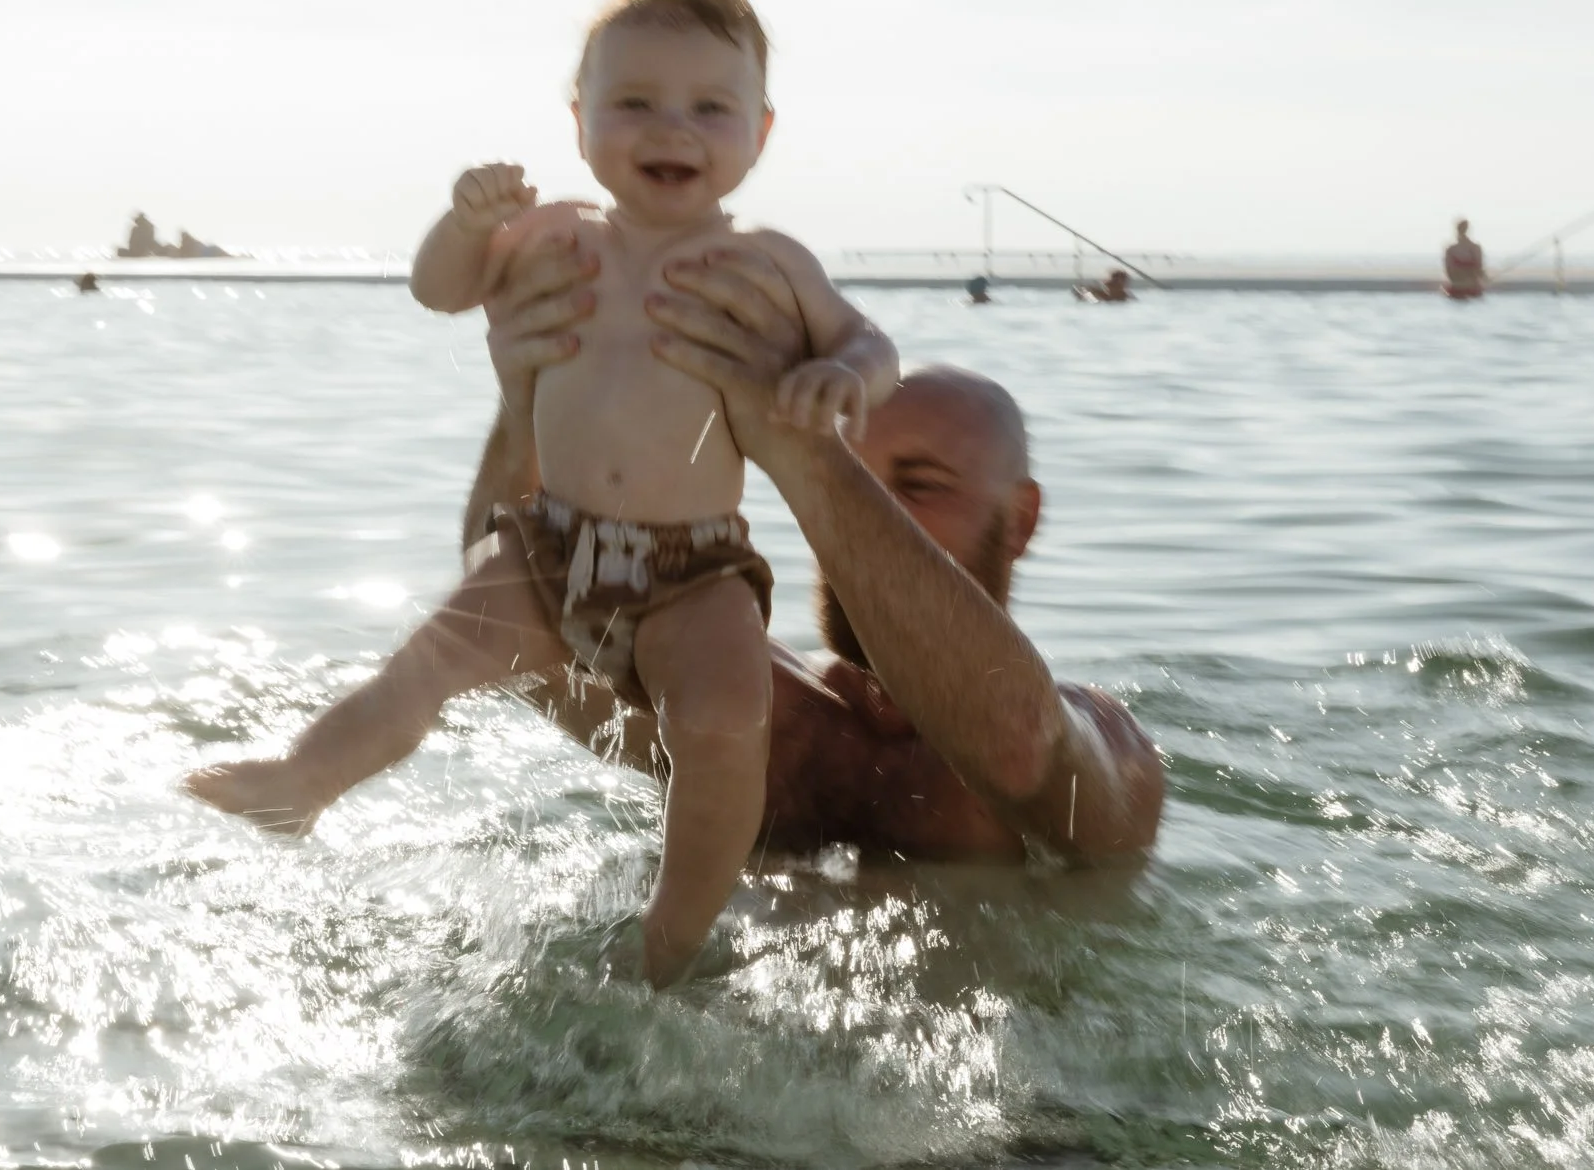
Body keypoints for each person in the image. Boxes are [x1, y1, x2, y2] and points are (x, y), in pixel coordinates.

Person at [187, 0, 900, 986]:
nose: (673, 128)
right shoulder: (557, 233)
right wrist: (467, 223)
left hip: (694, 568)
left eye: (710, 106)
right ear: (579, 121)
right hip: (550, 543)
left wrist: (842, 370)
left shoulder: (769, 260)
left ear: (761, 132)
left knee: (724, 717)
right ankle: (300, 780)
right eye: (634, 102)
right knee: (426, 662)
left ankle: (675, 929)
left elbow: (871, 339)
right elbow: (438, 290)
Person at [480, 237, 1165, 863]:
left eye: (918, 486)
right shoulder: (752, 706)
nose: (857, 520)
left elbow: (1016, 747)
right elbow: (506, 632)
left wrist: (808, 456)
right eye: (853, 484)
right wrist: (525, 400)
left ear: (1020, 521)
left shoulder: (1109, 748)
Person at [1442, 219, 1486, 299]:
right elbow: (1479, 269)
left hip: (1458, 287)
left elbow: (1448, 270)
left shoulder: (1451, 249)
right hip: (1470, 287)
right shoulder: (1475, 248)